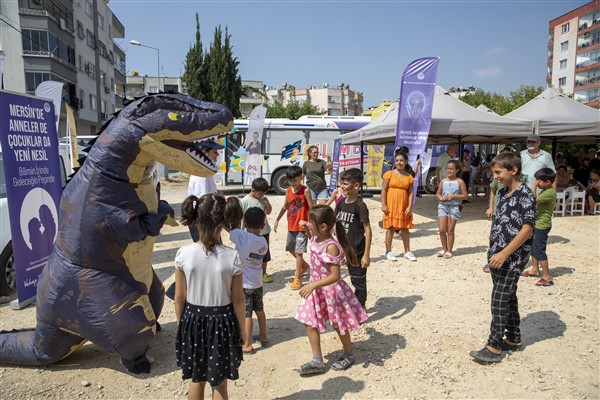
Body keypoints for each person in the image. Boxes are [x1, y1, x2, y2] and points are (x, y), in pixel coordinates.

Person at [174, 193, 246, 399]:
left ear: (196, 218)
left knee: (196, 380)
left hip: (192, 321)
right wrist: (242, 330)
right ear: (223, 222)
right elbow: (238, 300)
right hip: (222, 324)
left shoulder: (183, 254)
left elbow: (180, 297)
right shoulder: (232, 257)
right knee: (220, 384)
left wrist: (182, 325)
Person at [469, 152, 535, 363]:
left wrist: (505, 253)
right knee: (508, 296)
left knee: (498, 299)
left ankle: (494, 345)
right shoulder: (503, 193)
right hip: (497, 255)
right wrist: (494, 251)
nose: (495, 177)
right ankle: (513, 338)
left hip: (511, 257)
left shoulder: (525, 194)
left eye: (498, 172)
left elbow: (527, 229)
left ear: (513, 170)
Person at [294, 205, 368, 375]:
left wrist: (313, 285)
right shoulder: (315, 237)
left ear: (323, 227)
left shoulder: (331, 246)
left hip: (331, 292)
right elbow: (312, 243)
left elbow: (335, 276)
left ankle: (348, 354)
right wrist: (307, 228)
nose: (309, 225)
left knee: (338, 324)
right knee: (309, 321)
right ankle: (317, 359)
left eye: (311, 222)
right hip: (317, 290)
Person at [227, 204, 270, 354]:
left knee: (247, 314)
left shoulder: (243, 237)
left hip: (245, 284)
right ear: (263, 225)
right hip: (258, 282)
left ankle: (247, 343)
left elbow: (229, 229)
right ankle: (263, 336)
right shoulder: (263, 242)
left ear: (245, 223)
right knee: (260, 310)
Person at [335, 168, 372, 307]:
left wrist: (366, 255)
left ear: (356, 186)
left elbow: (368, 230)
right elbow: (336, 223)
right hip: (344, 250)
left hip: (357, 251)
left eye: (345, 184)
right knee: (345, 279)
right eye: (341, 183)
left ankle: (360, 307)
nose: (342, 187)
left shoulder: (360, 206)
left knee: (358, 281)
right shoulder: (341, 203)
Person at [274, 166, 313, 290]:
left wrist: (310, 225)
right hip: (291, 227)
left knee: (299, 252)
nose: (292, 183)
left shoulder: (306, 191)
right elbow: (285, 206)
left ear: (301, 178)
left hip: (302, 228)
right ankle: (304, 266)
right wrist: (277, 219)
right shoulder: (288, 191)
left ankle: (297, 278)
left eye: (295, 181)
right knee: (291, 249)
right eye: (290, 181)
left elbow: (312, 209)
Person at [521, 168, 556, 287]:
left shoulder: (549, 192)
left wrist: (533, 187)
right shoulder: (545, 190)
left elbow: (533, 201)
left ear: (548, 182)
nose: (537, 183)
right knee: (533, 247)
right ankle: (535, 269)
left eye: (539, 181)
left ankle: (547, 276)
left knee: (540, 249)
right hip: (537, 223)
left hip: (542, 224)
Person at [187, 139, 224, 241]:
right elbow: (203, 202)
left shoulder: (205, 172)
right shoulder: (201, 175)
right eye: (215, 152)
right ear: (205, 153)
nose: (217, 155)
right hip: (203, 220)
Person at [381, 152, 416, 262]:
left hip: (403, 205)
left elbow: (411, 192)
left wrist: (410, 207)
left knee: (405, 228)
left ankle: (407, 251)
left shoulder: (409, 176)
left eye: (401, 160)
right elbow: (384, 189)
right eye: (397, 160)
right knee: (390, 228)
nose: (398, 162)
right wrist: (383, 204)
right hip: (391, 204)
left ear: (406, 162)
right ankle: (388, 251)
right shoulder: (389, 174)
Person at [241, 177, 274, 283]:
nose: (261, 196)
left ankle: (263, 273)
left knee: (264, 253)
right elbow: (242, 217)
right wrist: (242, 231)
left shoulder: (264, 199)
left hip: (264, 231)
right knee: (251, 254)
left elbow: (268, 212)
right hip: (250, 233)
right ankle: (252, 272)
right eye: (260, 194)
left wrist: (268, 205)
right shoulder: (245, 201)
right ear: (253, 190)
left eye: (263, 194)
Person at [435, 160, 468, 259]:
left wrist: (453, 196)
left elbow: (465, 196)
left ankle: (449, 250)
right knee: (441, 230)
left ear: (457, 170)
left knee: (450, 230)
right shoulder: (443, 181)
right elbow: (438, 193)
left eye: (452, 169)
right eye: (447, 169)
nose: (449, 171)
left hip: (454, 207)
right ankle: (444, 248)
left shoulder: (460, 182)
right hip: (442, 206)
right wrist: (440, 198)